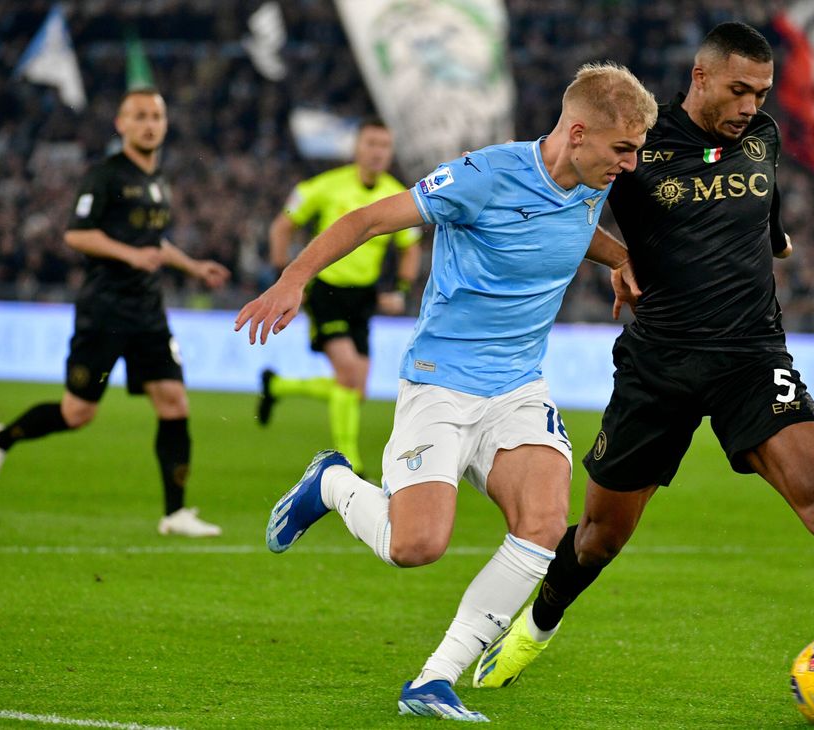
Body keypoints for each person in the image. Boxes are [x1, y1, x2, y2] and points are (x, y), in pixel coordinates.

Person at [474, 23, 814, 721]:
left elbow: (767, 213)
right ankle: (533, 629)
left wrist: (775, 241)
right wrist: (619, 258)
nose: (749, 104)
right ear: (700, 78)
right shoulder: (636, 146)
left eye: (760, 92)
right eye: (738, 89)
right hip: (659, 364)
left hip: (753, 356)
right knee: (600, 537)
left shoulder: (763, 135)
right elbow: (564, 213)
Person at [236, 63, 657, 722]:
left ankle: (433, 680)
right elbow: (370, 220)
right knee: (416, 548)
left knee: (544, 526)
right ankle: (332, 485)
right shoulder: (483, 176)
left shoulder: (592, 181)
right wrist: (293, 279)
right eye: (622, 150)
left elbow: (574, 232)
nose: (630, 165)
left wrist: (621, 259)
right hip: (440, 383)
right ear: (577, 133)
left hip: (519, 388)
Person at [0, 88, 229, 537]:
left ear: (165, 124)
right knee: (77, 413)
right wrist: (130, 255)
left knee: (173, 401)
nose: (150, 123)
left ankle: (175, 513)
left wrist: (191, 265)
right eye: (140, 116)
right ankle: (0, 439)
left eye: (156, 116)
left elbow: (154, 244)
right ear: (121, 124)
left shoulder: (159, 180)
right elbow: (77, 234)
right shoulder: (105, 176)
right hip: (104, 310)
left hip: (148, 311)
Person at [258, 118, 422, 476]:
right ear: (357, 148)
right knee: (348, 373)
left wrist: (402, 289)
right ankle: (349, 462)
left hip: (363, 297)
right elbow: (283, 224)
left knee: (356, 387)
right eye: (371, 144)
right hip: (326, 291)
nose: (378, 152)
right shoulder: (326, 186)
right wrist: (284, 275)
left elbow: (410, 247)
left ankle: (278, 385)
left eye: (384, 146)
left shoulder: (396, 193)